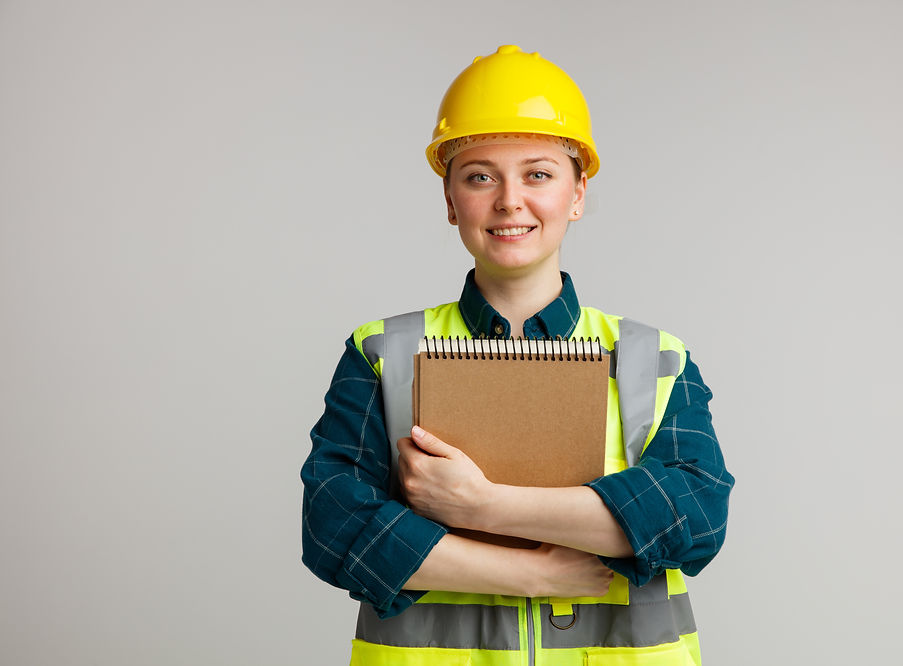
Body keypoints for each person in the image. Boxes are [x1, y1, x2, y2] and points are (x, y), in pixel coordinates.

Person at [301, 44, 734, 665]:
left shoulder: (651, 358)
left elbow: (694, 519)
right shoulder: (385, 353)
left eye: (539, 174)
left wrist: (482, 506)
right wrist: (530, 574)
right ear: (450, 199)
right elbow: (333, 524)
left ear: (578, 193)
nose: (509, 200)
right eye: (480, 176)